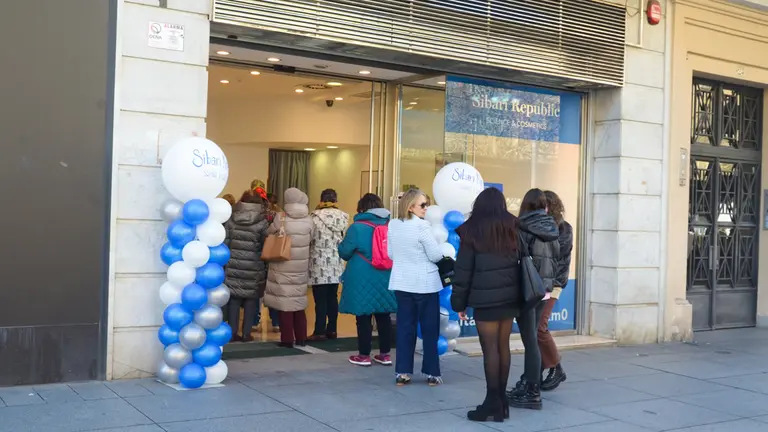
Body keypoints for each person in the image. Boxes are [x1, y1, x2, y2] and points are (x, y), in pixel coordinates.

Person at [451, 187, 521, 422]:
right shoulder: (513, 226)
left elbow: (463, 270)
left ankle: (492, 403)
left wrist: (458, 302)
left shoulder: (472, 230)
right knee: (503, 347)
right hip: (510, 297)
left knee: (489, 349)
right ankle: (501, 402)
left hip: (485, 299)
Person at [506, 188, 560, 410]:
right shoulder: (553, 227)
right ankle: (531, 385)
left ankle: (532, 391)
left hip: (528, 292)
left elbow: (515, 258)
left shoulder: (521, 227)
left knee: (530, 341)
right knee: (533, 340)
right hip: (544, 290)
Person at [388, 188, 446, 386]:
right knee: (430, 330)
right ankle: (432, 372)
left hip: (402, 282)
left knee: (405, 328)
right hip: (425, 284)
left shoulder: (393, 225)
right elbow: (435, 255)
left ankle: (403, 372)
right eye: (423, 204)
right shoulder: (423, 227)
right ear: (410, 206)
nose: (426, 208)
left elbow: (390, 254)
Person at [338, 193, 397, 366]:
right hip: (386, 274)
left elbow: (345, 253)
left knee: (363, 316)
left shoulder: (357, 227)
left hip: (361, 276)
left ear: (362, 208)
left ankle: (364, 355)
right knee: (384, 315)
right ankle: (385, 354)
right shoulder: (391, 225)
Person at [264, 188, 314, 348]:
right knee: (298, 302)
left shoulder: (281, 217)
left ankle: (287, 340)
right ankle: (301, 338)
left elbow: (269, 232)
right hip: (301, 267)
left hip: (282, 264)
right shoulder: (309, 220)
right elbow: (312, 238)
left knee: (285, 304)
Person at [223, 191, 270, 342]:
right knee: (251, 300)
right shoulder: (262, 221)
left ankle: (233, 332)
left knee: (234, 299)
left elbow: (225, 243)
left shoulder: (230, 218)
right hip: (254, 266)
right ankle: (246, 333)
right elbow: (266, 246)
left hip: (233, 264)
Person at [540, 190, 573, 391]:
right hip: (539, 284)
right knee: (536, 328)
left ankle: (556, 367)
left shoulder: (562, 228)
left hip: (553, 284)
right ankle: (538, 370)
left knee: (539, 327)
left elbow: (557, 257)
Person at [308, 189, 349, 341]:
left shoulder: (314, 217)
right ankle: (332, 329)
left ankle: (319, 330)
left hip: (318, 263)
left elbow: (310, 239)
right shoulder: (344, 217)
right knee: (332, 297)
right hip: (336, 263)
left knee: (320, 299)